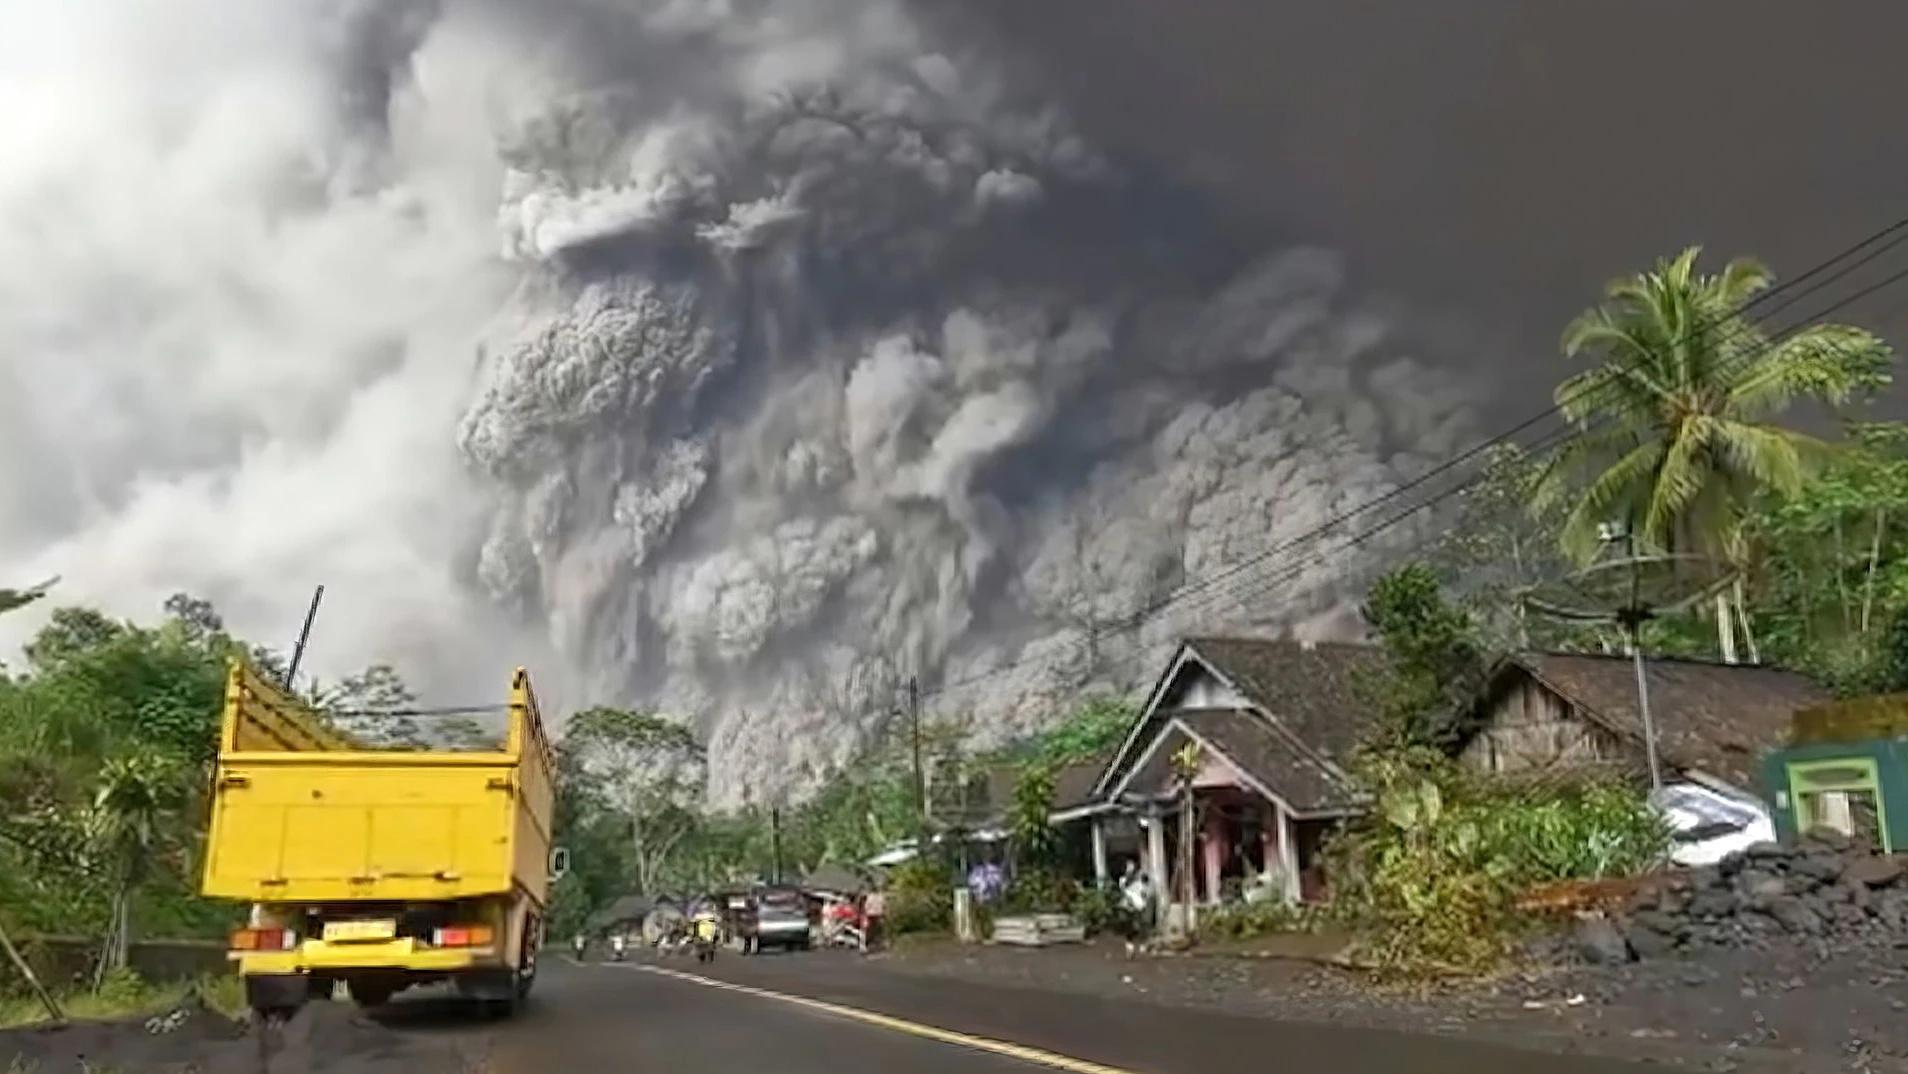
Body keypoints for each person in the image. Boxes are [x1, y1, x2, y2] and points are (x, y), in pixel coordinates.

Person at [860, 887, 886, 953]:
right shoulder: (881, 897)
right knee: (877, 929)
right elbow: (884, 906)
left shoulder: (869, 897)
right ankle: (878, 943)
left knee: (865, 930)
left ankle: (863, 946)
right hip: (878, 914)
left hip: (869, 914)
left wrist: (864, 912)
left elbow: (866, 906)